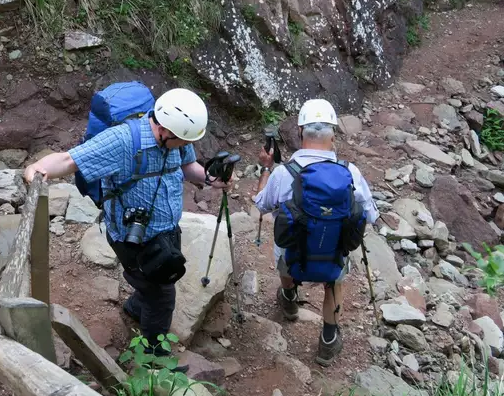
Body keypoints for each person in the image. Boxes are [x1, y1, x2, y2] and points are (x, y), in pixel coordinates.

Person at [24, 88, 230, 354]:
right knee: (163, 298)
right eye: (184, 141)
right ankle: (154, 356)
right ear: (165, 132)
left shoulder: (178, 139)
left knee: (160, 275)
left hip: (165, 231)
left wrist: (210, 180)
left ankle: (135, 307)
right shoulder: (123, 141)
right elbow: (68, 160)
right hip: (133, 237)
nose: (188, 146)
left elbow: (187, 166)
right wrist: (37, 169)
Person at [253, 99, 378, 366]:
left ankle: (289, 300)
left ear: (300, 133)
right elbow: (371, 215)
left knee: (285, 254)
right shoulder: (350, 172)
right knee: (334, 281)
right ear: (333, 134)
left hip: (293, 255)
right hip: (332, 254)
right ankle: (328, 341)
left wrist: (266, 168)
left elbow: (261, 204)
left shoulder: (283, 173)